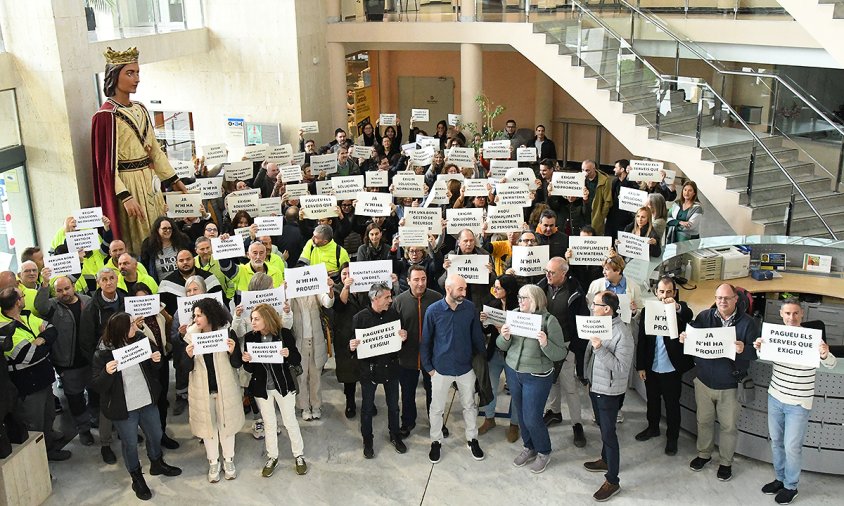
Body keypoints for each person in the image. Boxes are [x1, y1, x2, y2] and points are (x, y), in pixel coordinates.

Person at [91, 47, 188, 254]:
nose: (137, 78)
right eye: (130, 73)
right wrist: (125, 197)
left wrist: (175, 181)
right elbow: (105, 168)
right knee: (140, 238)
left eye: (137, 73)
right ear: (114, 76)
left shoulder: (141, 108)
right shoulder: (106, 116)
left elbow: (155, 152)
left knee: (161, 231)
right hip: (129, 183)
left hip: (150, 181)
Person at [753, 298, 837, 505]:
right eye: (787, 313)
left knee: (792, 447)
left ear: (802, 315)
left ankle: (791, 486)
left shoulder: (812, 340)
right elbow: (761, 354)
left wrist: (825, 355)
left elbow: (832, 364)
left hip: (798, 403)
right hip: (775, 397)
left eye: (795, 313)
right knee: (776, 443)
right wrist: (758, 347)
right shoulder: (776, 337)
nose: (791, 317)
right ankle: (779, 479)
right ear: (781, 315)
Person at [90, 312, 181, 500]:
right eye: (131, 324)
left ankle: (157, 462)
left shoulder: (141, 339)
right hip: (124, 408)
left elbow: (155, 365)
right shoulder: (103, 352)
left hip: (146, 400)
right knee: (130, 443)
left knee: (156, 434)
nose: (136, 326)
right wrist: (107, 373)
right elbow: (97, 385)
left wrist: (157, 360)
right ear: (120, 331)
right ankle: (136, 476)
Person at [680, 283, 759, 481]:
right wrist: (685, 337)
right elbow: (693, 335)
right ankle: (703, 454)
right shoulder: (705, 316)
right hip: (704, 382)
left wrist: (745, 349)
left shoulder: (749, 323)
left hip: (730, 385)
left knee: (728, 427)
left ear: (735, 300)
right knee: (704, 421)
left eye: (726, 298)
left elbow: (757, 352)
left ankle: (725, 462)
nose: (722, 301)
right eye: (719, 297)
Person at [497, 284, 567, 474]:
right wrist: (504, 337)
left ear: (535, 300)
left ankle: (544, 451)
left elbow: (560, 353)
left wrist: (545, 344)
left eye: (524, 298)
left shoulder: (549, 321)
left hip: (536, 375)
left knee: (532, 417)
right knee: (520, 414)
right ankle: (530, 446)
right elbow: (502, 346)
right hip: (513, 371)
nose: (520, 301)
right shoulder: (514, 315)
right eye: (519, 297)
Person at [422, 274, 487, 464]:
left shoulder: (469, 308)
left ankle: (472, 439)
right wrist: (429, 368)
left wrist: (481, 362)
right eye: (460, 289)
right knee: (436, 409)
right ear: (448, 289)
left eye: (465, 289)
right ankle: (436, 441)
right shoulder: (433, 311)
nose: (464, 293)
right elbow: (425, 341)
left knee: (469, 405)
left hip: (466, 369)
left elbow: (477, 337)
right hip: (440, 370)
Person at [0, 286, 69, 461]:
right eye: (22, 296)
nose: (24, 298)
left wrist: (42, 340)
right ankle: (40, 462)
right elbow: (29, 356)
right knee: (34, 426)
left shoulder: (27, 316)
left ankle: (50, 448)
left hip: (43, 379)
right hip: (28, 387)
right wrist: (44, 345)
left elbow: (52, 329)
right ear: (17, 302)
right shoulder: (5, 329)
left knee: (48, 417)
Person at [242, 303, 308, 477]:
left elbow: (296, 358)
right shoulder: (250, 338)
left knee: (289, 421)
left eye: (256, 319)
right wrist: (246, 360)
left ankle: (298, 455)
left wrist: (288, 354)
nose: (253, 322)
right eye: (252, 319)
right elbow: (249, 369)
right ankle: (272, 456)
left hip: (284, 385)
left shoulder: (284, 334)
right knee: (269, 423)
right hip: (262, 389)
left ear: (267, 318)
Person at [183, 298, 245, 483]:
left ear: (210, 315)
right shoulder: (189, 337)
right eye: (194, 316)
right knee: (209, 429)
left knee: (227, 427)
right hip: (202, 391)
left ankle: (229, 460)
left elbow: (237, 363)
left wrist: (233, 352)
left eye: (199, 315)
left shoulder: (226, 332)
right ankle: (213, 462)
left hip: (225, 389)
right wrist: (187, 356)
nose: (196, 319)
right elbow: (183, 368)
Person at [582, 291, 634, 502]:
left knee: (609, 434)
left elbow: (621, 368)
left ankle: (613, 480)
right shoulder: (598, 324)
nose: (592, 308)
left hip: (609, 392)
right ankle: (605, 460)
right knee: (603, 429)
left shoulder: (623, 333)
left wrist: (599, 348)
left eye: (595, 305)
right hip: (596, 387)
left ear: (607, 309)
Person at [635, 276, 694, 456]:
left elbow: (688, 314)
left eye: (669, 292)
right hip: (652, 366)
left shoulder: (680, 310)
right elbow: (642, 340)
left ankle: (672, 438)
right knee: (652, 401)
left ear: (675, 293)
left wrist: (675, 307)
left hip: (671, 368)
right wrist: (641, 366)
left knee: (672, 405)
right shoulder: (648, 311)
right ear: (656, 292)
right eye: (661, 292)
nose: (665, 295)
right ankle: (653, 428)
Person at [35, 269, 94, 447]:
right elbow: (40, 305)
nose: (64, 293)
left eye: (67, 288)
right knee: (75, 399)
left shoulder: (87, 301)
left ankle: (97, 419)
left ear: (74, 286)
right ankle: (84, 429)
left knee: (96, 393)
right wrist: (45, 284)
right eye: (59, 290)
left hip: (90, 359)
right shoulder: (52, 305)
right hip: (68, 363)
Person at [350, 283, 409, 459]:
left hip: (391, 368)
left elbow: (400, 340)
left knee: (394, 407)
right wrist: (352, 346)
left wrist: (403, 337)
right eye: (387, 297)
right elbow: (353, 343)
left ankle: (395, 435)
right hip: (370, 371)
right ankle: (367, 439)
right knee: (367, 408)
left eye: (390, 297)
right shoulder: (360, 318)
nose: (390, 300)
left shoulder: (394, 315)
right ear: (375, 298)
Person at [538, 257, 590, 448]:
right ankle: (554, 412)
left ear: (564, 273)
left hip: (567, 345)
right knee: (552, 380)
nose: (547, 275)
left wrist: (576, 347)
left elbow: (582, 321)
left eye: (552, 272)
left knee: (569, 386)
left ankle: (577, 424)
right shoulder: (542, 287)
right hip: (546, 343)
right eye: (546, 271)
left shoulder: (575, 292)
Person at [79, 267, 127, 464]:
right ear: (98, 283)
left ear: (117, 279)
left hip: (126, 355)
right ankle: (105, 444)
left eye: (111, 278)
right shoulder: (91, 308)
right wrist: (98, 364)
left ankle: (126, 432)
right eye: (104, 279)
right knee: (107, 403)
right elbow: (85, 341)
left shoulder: (125, 299)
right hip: (104, 361)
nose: (108, 282)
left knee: (126, 396)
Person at [393, 265, 443, 439]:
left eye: (423, 279)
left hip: (432, 358)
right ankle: (408, 422)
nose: (420, 283)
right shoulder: (399, 301)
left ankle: (436, 421)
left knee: (434, 393)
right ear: (408, 281)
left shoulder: (437, 299)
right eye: (416, 280)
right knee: (407, 393)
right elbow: (391, 329)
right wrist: (398, 334)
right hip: (407, 357)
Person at [132, 283, 179, 450]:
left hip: (162, 361)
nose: (144, 303)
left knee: (162, 399)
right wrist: (135, 327)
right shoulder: (131, 321)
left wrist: (161, 309)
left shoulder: (157, 315)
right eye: (139, 300)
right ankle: (153, 438)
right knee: (150, 404)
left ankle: (162, 433)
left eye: (146, 299)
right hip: (145, 367)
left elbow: (170, 323)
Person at [478, 275, 520, 442]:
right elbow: (487, 332)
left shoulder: (519, 307)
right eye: (494, 287)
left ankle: (514, 425)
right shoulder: (493, 304)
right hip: (495, 352)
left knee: (516, 392)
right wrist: (485, 324)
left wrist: (502, 328)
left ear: (508, 290)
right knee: (490, 387)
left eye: (498, 288)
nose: (495, 290)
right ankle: (489, 419)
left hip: (513, 354)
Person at [289, 275, 335, 421]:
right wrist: (285, 292)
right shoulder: (291, 293)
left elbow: (327, 302)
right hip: (299, 342)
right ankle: (304, 407)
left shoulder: (315, 289)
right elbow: (285, 314)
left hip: (316, 341)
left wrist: (330, 289)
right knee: (301, 377)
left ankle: (316, 405)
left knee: (315, 376)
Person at [332, 264, 366, 418]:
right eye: (344, 273)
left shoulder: (365, 287)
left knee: (366, 369)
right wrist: (346, 287)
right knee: (348, 373)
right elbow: (339, 306)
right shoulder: (338, 288)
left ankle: (368, 401)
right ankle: (350, 401)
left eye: (350, 273)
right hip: (345, 336)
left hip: (364, 335)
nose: (347, 276)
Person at [140, 217, 192, 284]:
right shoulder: (148, 245)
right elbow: (144, 268)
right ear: (157, 230)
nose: (168, 231)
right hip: (162, 287)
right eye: (164, 229)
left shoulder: (183, 241)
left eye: (170, 228)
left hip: (185, 284)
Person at [570, 159, 612, 235]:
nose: (585, 173)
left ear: (594, 169)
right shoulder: (579, 178)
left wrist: (602, 216)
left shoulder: (604, 181)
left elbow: (607, 201)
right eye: (583, 170)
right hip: (581, 212)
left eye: (587, 170)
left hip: (596, 213)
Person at [605, 159, 640, 241]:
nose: (614, 169)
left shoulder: (632, 183)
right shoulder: (614, 182)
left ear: (622, 169)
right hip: (612, 219)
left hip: (625, 220)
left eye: (616, 167)